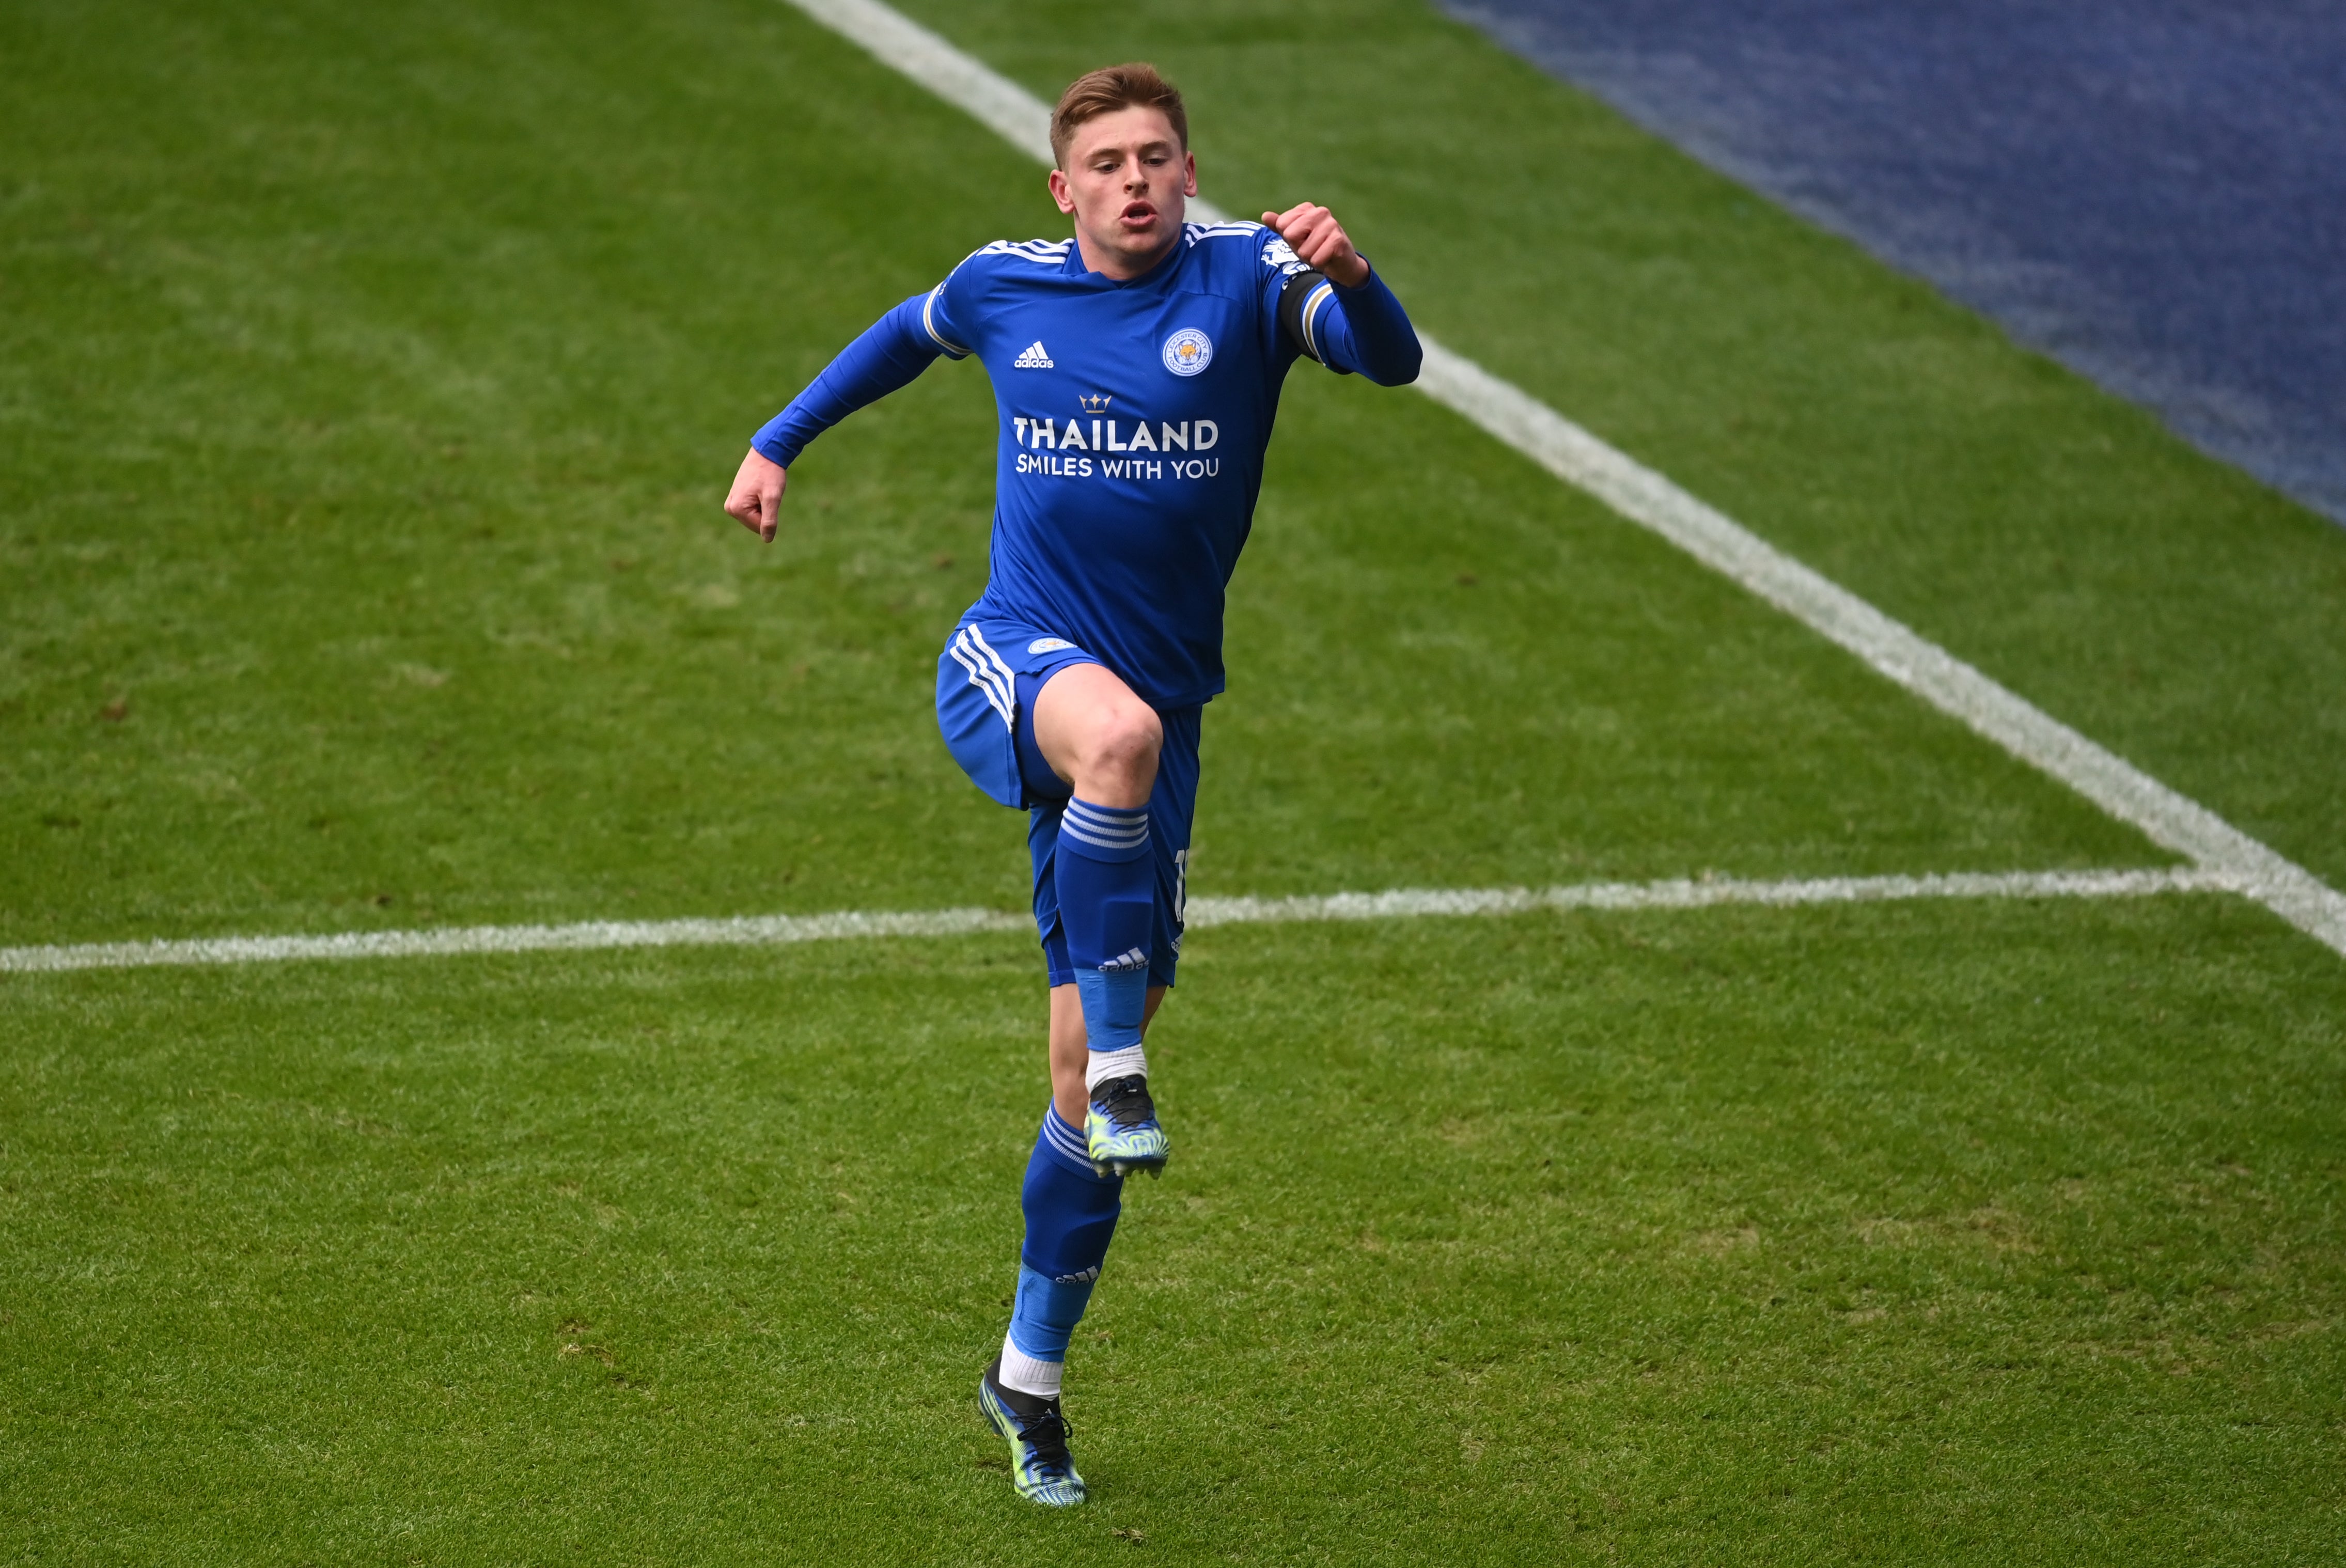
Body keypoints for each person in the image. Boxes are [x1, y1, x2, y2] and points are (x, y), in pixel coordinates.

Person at [722, 61, 1421, 1507]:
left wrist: (1357, 273)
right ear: (1065, 187)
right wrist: (777, 440)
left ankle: (1025, 1379)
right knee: (1113, 753)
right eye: (1106, 162)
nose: (1137, 180)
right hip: (1013, 660)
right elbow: (900, 340)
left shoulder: (1253, 282)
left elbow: (1391, 362)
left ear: (1189, 169)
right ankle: (1123, 1060)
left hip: (1159, 712)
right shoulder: (1006, 285)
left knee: (1070, 1088)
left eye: (1159, 156)